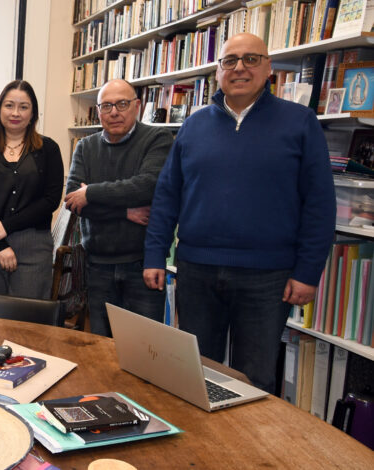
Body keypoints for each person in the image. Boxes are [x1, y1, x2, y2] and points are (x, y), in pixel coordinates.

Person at [143, 33, 336, 393]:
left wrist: (308, 271)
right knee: (195, 373)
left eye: (251, 59)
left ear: (269, 68)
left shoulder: (300, 122)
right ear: (218, 72)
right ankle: (202, 448)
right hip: (196, 271)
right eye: (229, 61)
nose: (240, 68)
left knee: (256, 379)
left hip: (267, 278)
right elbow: (168, 196)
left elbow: (320, 204)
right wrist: (155, 254)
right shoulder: (193, 126)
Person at [64, 79, 173, 337]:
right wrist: (124, 212)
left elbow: (146, 186)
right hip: (97, 265)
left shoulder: (158, 139)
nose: (114, 112)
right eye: (106, 106)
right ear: (98, 111)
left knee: (146, 350)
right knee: (102, 347)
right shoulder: (85, 146)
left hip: (143, 266)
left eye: (122, 104)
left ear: (137, 106)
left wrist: (91, 192)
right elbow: (71, 199)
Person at [0, 80, 63, 298]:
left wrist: (6, 227)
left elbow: (51, 199)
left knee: (28, 323)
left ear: (33, 113)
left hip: (34, 247)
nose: (15, 113)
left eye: (23, 107)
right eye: (9, 105)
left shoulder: (48, 149)